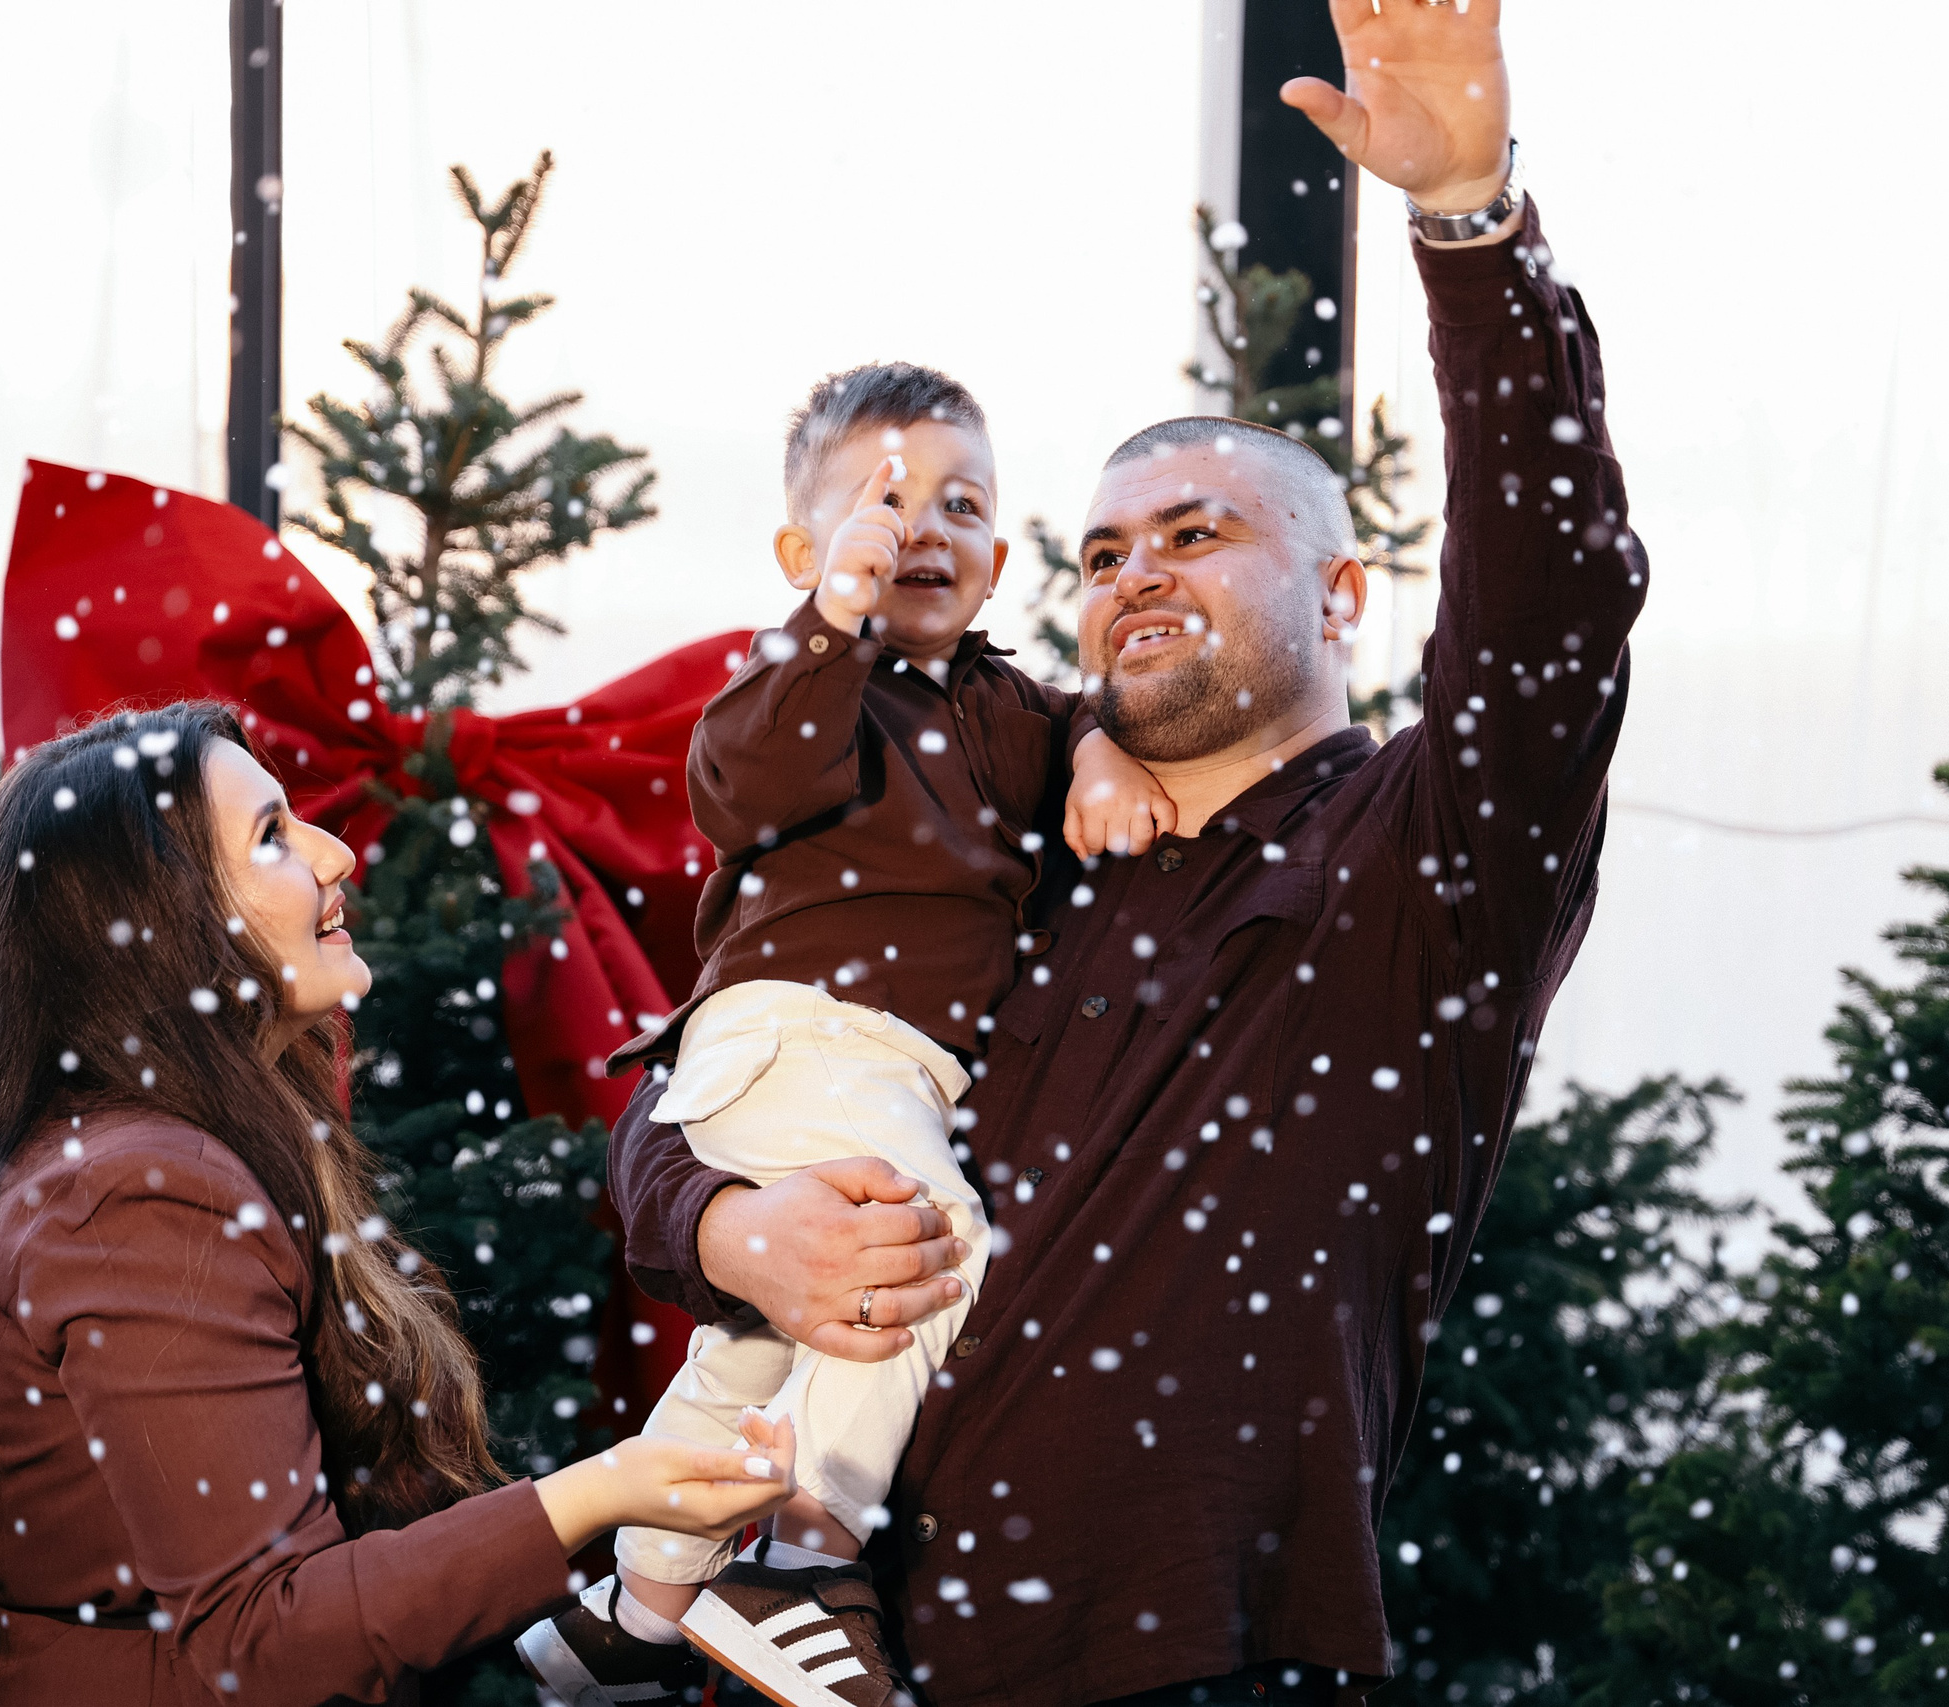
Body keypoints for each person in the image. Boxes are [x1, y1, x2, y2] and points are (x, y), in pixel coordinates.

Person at [611, 2, 1647, 1702]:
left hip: (1186, 1650)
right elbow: (696, 1079)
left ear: (1339, 594)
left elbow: (1557, 600)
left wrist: (1471, 225)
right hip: (823, 1653)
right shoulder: (1010, 851)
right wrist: (724, 1227)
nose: (1133, 573)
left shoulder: (1428, 855)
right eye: (1098, 553)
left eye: (1198, 533)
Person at [0, 702, 799, 1707]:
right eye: (272, 836)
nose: (334, 856)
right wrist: (604, 1492)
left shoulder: (149, 1150)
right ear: (163, 920)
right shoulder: (136, 1194)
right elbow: (265, 1638)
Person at [524, 363, 1172, 1707]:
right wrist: (830, 615)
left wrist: (1104, 754)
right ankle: (805, 1565)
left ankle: (635, 1614)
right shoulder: (815, 684)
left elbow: (1085, 731)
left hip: (884, 1075)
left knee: (768, 1348)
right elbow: (732, 778)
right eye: (884, 501)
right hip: (802, 1035)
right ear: (803, 551)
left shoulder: (1011, 705)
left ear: (999, 555)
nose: (921, 529)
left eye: (960, 504)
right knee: (923, 1258)